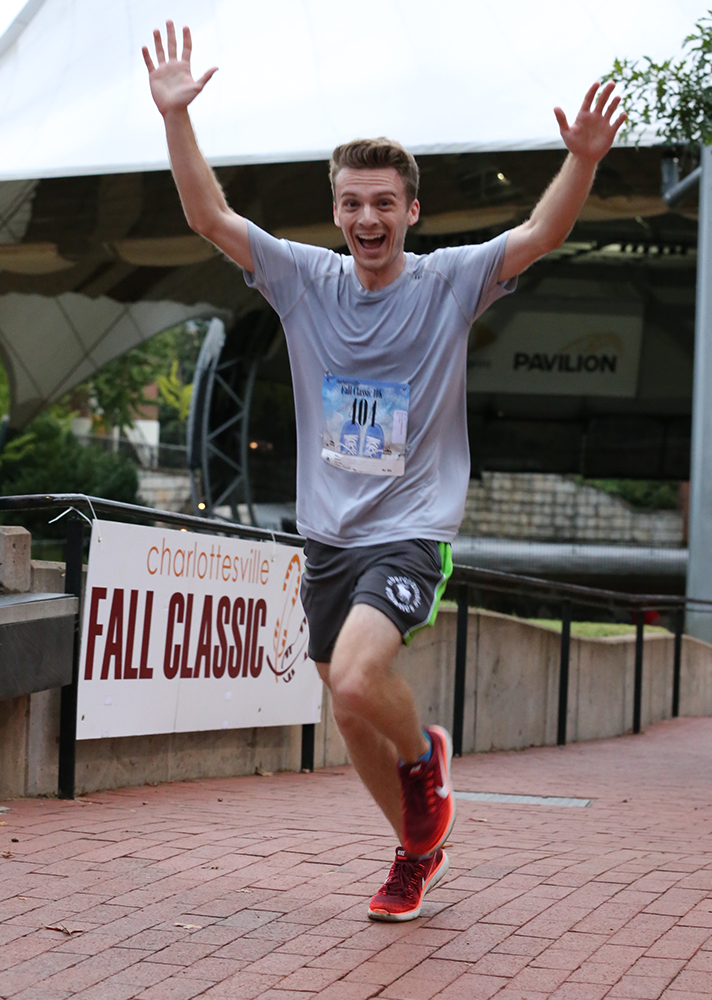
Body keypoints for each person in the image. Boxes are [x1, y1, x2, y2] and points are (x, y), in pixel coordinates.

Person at [143, 20, 625, 922]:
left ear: (412, 212)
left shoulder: (447, 283)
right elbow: (208, 216)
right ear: (337, 214)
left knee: (362, 680)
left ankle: (428, 769)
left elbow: (540, 232)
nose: (368, 219)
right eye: (353, 203)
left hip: (411, 527)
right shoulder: (301, 281)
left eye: (384, 204)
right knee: (347, 706)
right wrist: (176, 116)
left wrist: (584, 161)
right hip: (328, 533)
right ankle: (415, 851)